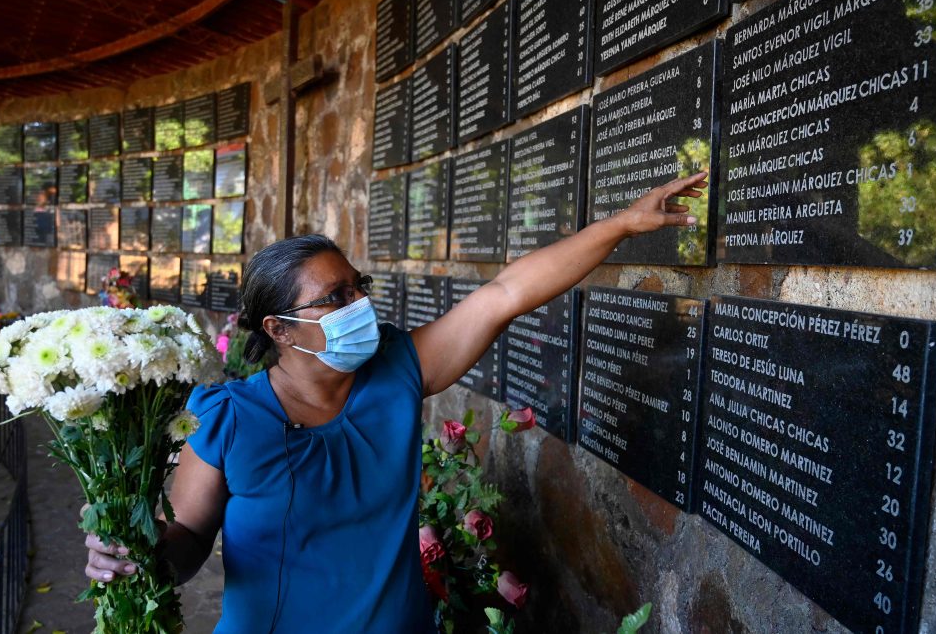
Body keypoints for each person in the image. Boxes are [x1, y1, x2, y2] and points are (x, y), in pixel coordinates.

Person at [85, 172, 709, 632]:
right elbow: (189, 540)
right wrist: (140, 558)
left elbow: (504, 294)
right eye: (335, 298)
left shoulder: (398, 370)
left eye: (359, 287)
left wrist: (621, 223)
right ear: (279, 329)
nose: (359, 305)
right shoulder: (227, 417)